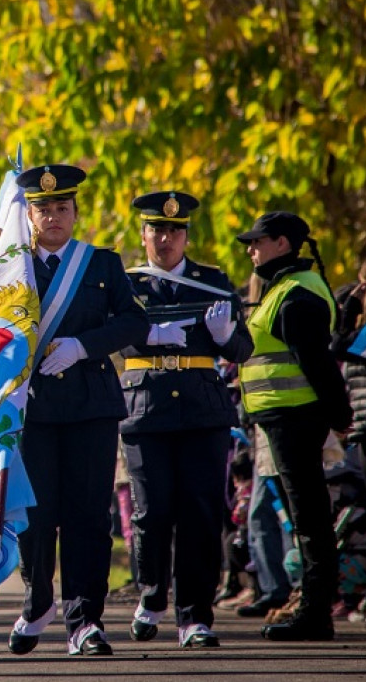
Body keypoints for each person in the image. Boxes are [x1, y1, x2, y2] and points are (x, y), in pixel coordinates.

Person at [8, 164, 149, 657]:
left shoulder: (101, 264)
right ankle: (37, 600)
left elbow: (133, 320)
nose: (52, 216)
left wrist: (85, 345)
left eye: (61, 208)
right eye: (43, 209)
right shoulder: (11, 266)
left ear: (75, 212)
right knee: (36, 513)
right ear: (28, 215)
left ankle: (86, 620)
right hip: (33, 407)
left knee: (88, 514)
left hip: (90, 402)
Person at [118, 191, 254, 648]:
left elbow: (243, 350)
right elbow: (113, 337)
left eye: (175, 230)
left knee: (200, 512)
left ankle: (195, 614)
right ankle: (153, 596)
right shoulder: (127, 283)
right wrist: (147, 336)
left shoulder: (212, 282)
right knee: (151, 512)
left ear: (186, 236)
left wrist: (226, 335)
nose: (166, 237)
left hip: (201, 411)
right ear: (144, 234)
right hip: (145, 408)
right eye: (157, 229)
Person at [235, 211, 353, 641]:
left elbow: (318, 365)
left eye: (257, 241)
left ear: (282, 244)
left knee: (309, 518)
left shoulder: (296, 294)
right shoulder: (284, 288)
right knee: (306, 516)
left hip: (296, 416)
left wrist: (341, 418)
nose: (251, 249)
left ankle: (316, 612)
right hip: (287, 417)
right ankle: (312, 605)